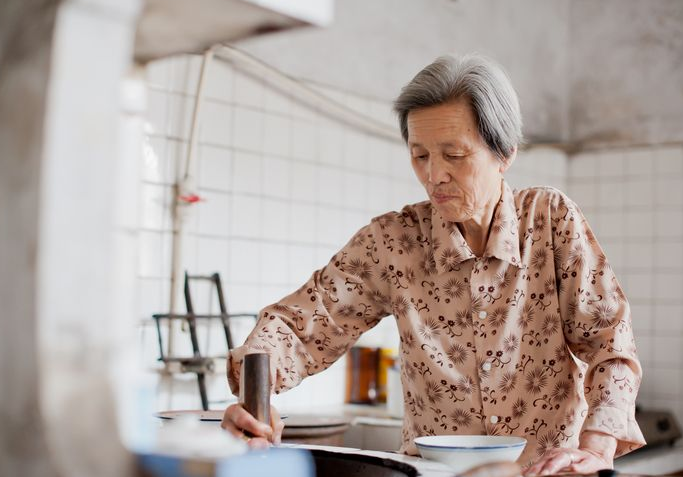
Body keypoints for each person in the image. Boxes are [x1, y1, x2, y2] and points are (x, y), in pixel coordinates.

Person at [220, 54, 645, 474]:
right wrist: (255, 403)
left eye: (454, 155)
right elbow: (297, 326)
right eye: (420, 155)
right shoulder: (392, 242)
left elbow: (610, 342)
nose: (434, 175)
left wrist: (596, 449)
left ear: (505, 153)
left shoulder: (550, 220)